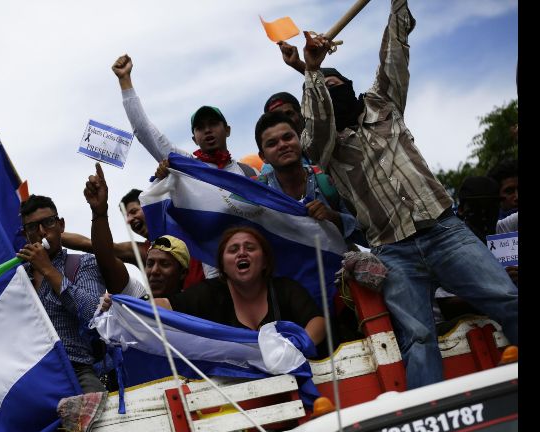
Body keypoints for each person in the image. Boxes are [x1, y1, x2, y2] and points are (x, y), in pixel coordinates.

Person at [295, 0, 518, 388]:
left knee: (508, 298)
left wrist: (398, 4)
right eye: (324, 93)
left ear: (350, 87)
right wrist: (312, 71)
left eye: (336, 85)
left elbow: (394, 54)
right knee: (417, 339)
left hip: (444, 231)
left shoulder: (383, 103)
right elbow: (316, 126)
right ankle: (432, 419)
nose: (332, 92)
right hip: (392, 252)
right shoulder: (322, 145)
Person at [156, 227, 327, 358]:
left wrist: (293, 349)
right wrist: (140, 306)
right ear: (223, 266)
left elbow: (317, 322)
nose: (242, 253)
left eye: (250, 248)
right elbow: (164, 306)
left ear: (265, 261)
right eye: (233, 250)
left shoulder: (285, 288)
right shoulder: (209, 292)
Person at [111, 54, 258, 178]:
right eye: (200, 127)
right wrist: (125, 80)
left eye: (213, 123)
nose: (207, 130)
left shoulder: (250, 173)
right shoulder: (186, 166)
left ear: (227, 130)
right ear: (194, 139)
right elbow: (145, 131)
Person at [16, 195, 107, 393]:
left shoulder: (83, 263)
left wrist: (48, 270)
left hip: (75, 370)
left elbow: (94, 313)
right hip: (29, 375)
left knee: (99, 405)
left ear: (61, 225)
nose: (42, 232)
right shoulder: (17, 278)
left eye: (48, 222)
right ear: (25, 234)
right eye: (32, 227)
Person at [254, 110, 364, 245]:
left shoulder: (329, 180)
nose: (282, 145)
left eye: (288, 137)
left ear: (300, 139)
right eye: (272, 144)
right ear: (263, 157)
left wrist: (333, 218)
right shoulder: (259, 196)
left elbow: (367, 235)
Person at [82, 162, 190, 299]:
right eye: (149, 263)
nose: (154, 271)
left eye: (164, 264)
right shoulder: (140, 299)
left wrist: (173, 173)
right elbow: (105, 258)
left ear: (183, 273)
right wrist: (99, 212)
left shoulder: (188, 228)